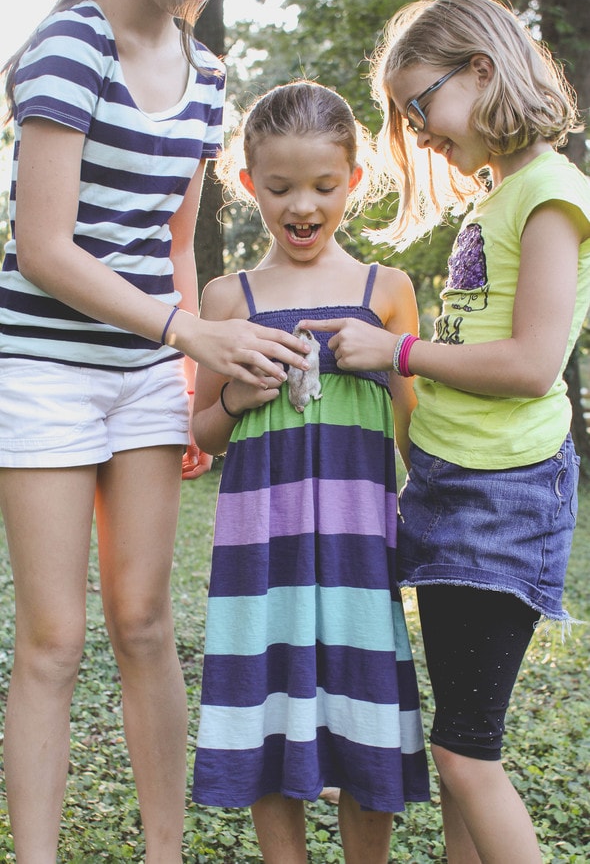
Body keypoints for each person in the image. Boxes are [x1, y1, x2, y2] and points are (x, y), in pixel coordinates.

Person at [0, 0, 310, 861]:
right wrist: (188, 333)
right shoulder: (71, 47)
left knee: (143, 623)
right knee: (54, 639)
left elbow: (175, 243)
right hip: (44, 371)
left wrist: (182, 377)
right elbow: (42, 246)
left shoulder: (207, 73)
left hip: (144, 374)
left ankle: (163, 854)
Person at [301, 0, 590, 864]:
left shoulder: (550, 194)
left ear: (481, 70)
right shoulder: (497, 197)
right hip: (449, 484)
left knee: (465, 754)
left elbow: (532, 362)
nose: (416, 130)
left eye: (418, 105)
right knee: (465, 745)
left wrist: (398, 351)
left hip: (503, 494)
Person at [190, 80, 431, 864]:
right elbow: (204, 431)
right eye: (281, 187)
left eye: (324, 186)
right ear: (248, 183)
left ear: (353, 181)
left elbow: (415, 432)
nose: (302, 205)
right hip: (262, 550)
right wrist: (238, 393)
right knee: (267, 708)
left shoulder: (385, 292)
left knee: (366, 708)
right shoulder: (227, 298)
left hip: (360, 548)